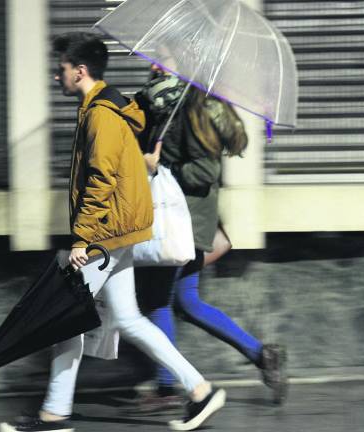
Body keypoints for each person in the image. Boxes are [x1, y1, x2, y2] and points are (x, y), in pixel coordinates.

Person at [0, 32, 225, 432]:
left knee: (67, 319)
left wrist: (83, 240)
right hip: (118, 232)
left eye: (61, 70)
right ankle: (199, 389)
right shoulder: (108, 107)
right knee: (127, 319)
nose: (57, 77)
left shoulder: (101, 114)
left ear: (79, 71)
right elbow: (118, 168)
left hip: (104, 234)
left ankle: (54, 413)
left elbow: (101, 180)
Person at [132, 58, 288, 410]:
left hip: (179, 223)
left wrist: (160, 168)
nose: (154, 66)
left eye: (163, 60)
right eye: (152, 59)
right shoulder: (164, 104)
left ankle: (166, 386)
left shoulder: (191, 107)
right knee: (186, 302)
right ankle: (263, 355)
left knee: (157, 301)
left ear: (182, 66)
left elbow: (206, 169)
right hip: (181, 222)